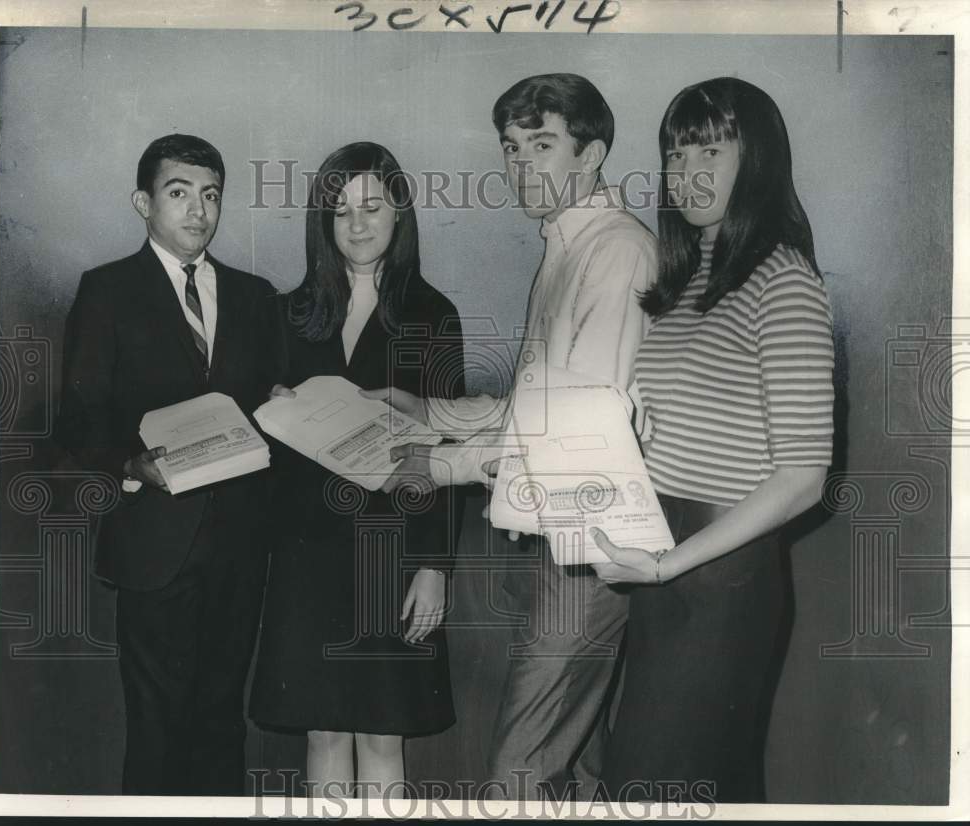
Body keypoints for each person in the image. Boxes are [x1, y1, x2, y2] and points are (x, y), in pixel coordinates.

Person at [367, 74, 657, 800]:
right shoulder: (568, 244)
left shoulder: (614, 253)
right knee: (580, 775)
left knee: (517, 781)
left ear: (590, 156)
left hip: (594, 549)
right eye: (511, 147)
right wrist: (425, 409)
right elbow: (534, 407)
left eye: (543, 145)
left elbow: (578, 434)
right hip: (569, 544)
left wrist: (441, 465)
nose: (522, 165)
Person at [590, 77, 835, 803]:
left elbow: (803, 478)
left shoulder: (784, 279)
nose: (687, 173)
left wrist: (668, 565)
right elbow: (691, 423)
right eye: (675, 154)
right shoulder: (688, 275)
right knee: (701, 790)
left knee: (649, 786)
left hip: (719, 575)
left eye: (710, 152)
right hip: (666, 560)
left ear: (753, 159)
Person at [55, 134, 283, 794]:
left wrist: (281, 405)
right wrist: (131, 464)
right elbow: (78, 421)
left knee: (221, 722)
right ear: (143, 202)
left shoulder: (254, 296)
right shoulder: (106, 291)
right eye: (179, 192)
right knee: (156, 726)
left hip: (239, 545)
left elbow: (270, 402)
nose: (198, 210)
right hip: (154, 541)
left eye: (211, 195)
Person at [247, 142, 465, 799]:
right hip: (306, 554)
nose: (358, 224)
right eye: (341, 212)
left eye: (372, 207)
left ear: (400, 213)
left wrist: (434, 567)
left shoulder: (434, 316)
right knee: (322, 731)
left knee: (380, 732)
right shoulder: (289, 314)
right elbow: (268, 453)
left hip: (389, 554)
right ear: (324, 222)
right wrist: (274, 412)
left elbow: (441, 447)